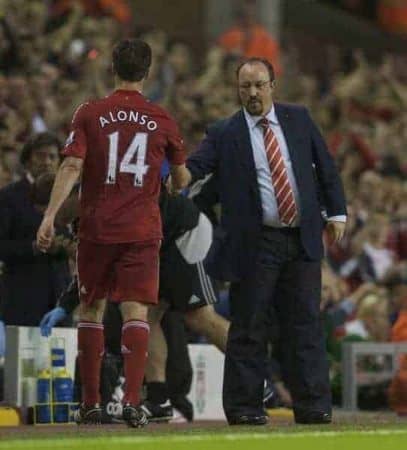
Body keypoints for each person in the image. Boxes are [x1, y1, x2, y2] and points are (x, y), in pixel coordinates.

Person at [182, 57, 347, 425]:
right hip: (254, 245)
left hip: (301, 239)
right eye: (245, 87)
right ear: (237, 89)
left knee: (304, 324)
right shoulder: (224, 132)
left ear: (273, 85)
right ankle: (244, 408)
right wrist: (176, 173)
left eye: (259, 85)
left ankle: (314, 406)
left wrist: (336, 213)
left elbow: (326, 166)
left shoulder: (299, 119)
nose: (253, 93)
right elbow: (195, 168)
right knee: (248, 326)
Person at [36, 38, 190, 427]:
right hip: (141, 229)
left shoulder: (90, 112)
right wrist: (174, 180)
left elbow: (71, 167)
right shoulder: (163, 119)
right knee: (136, 312)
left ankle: (90, 403)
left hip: (96, 228)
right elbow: (181, 180)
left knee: (90, 310)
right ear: (148, 72)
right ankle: (134, 402)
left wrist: (49, 216)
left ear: (113, 69)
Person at [39, 175, 230, 423]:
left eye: (52, 211)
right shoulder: (86, 212)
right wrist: (64, 306)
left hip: (183, 232)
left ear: (68, 196)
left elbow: (96, 265)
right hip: (155, 243)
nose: (54, 221)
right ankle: (159, 399)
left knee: (199, 317)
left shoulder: (102, 204)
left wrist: (65, 305)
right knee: (143, 316)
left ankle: (255, 375)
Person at [0, 132, 71, 328]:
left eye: (52, 157)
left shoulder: (69, 196)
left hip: (60, 297)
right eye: (40, 156)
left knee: (60, 357)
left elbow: (77, 240)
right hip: (21, 298)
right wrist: (31, 248)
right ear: (27, 160)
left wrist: (61, 247)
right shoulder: (8, 197)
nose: (47, 162)